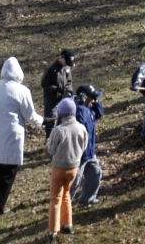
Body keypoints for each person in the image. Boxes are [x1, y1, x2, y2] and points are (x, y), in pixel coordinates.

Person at [0, 57, 44, 217]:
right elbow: (29, 115)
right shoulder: (22, 90)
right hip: (10, 136)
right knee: (7, 172)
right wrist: (42, 121)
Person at [45, 97, 88, 241]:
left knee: (55, 198)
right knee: (67, 194)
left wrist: (48, 143)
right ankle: (68, 223)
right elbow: (84, 146)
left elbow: (51, 150)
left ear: (61, 113)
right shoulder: (81, 128)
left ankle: (53, 230)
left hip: (59, 167)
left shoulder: (58, 130)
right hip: (74, 167)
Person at [71, 84, 104, 206]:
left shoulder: (90, 109)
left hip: (90, 152)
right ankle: (64, 205)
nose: (95, 100)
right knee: (75, 180)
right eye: (92, 97)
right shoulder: (79, 111)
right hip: (79, 154)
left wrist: (96, 101)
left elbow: (100, 113)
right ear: (84, 97)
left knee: (96, 173)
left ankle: (87, 199)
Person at [41, 49, 75, 138]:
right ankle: (50, 141)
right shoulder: (51, 69)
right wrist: (56, 89)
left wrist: (68, 91)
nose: (67, 64)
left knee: (62, 120)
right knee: (51, 121)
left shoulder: (67, 68)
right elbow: (44, 84)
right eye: (66, 62)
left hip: (63, 99)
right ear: (61, 58)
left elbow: (69, 82)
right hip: (51, 99)